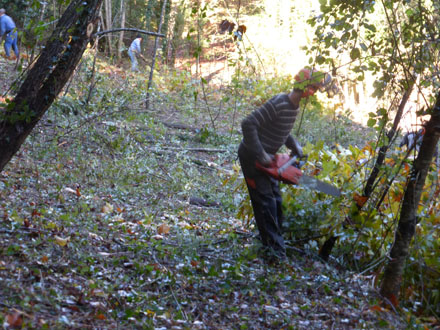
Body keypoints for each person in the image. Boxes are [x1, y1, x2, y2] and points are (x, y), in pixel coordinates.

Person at [238, 68, 335, 261]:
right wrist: (260, 153)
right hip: (252, 157)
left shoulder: (293, 107)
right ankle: (275, 255)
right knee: (266, 204)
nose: (313, 93)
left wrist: (294, 145)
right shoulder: (280, 103)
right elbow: (248, 124)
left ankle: (272, 246)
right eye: (313, 88)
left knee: (276, 203)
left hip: (269, 160)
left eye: (316, 89)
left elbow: (280, 129)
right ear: (303, 86)